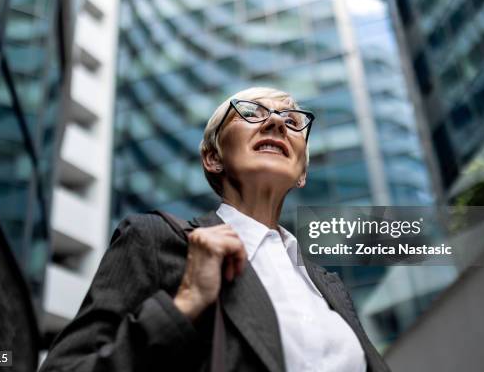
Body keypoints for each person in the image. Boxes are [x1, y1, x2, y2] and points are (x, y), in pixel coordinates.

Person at [39, 87, 390, 372]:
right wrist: (186, 303)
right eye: (252, 112)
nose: (277, 124)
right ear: (213, 158)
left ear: (302, 175)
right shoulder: (157, 241)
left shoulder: (329, 287)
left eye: (292, 120)